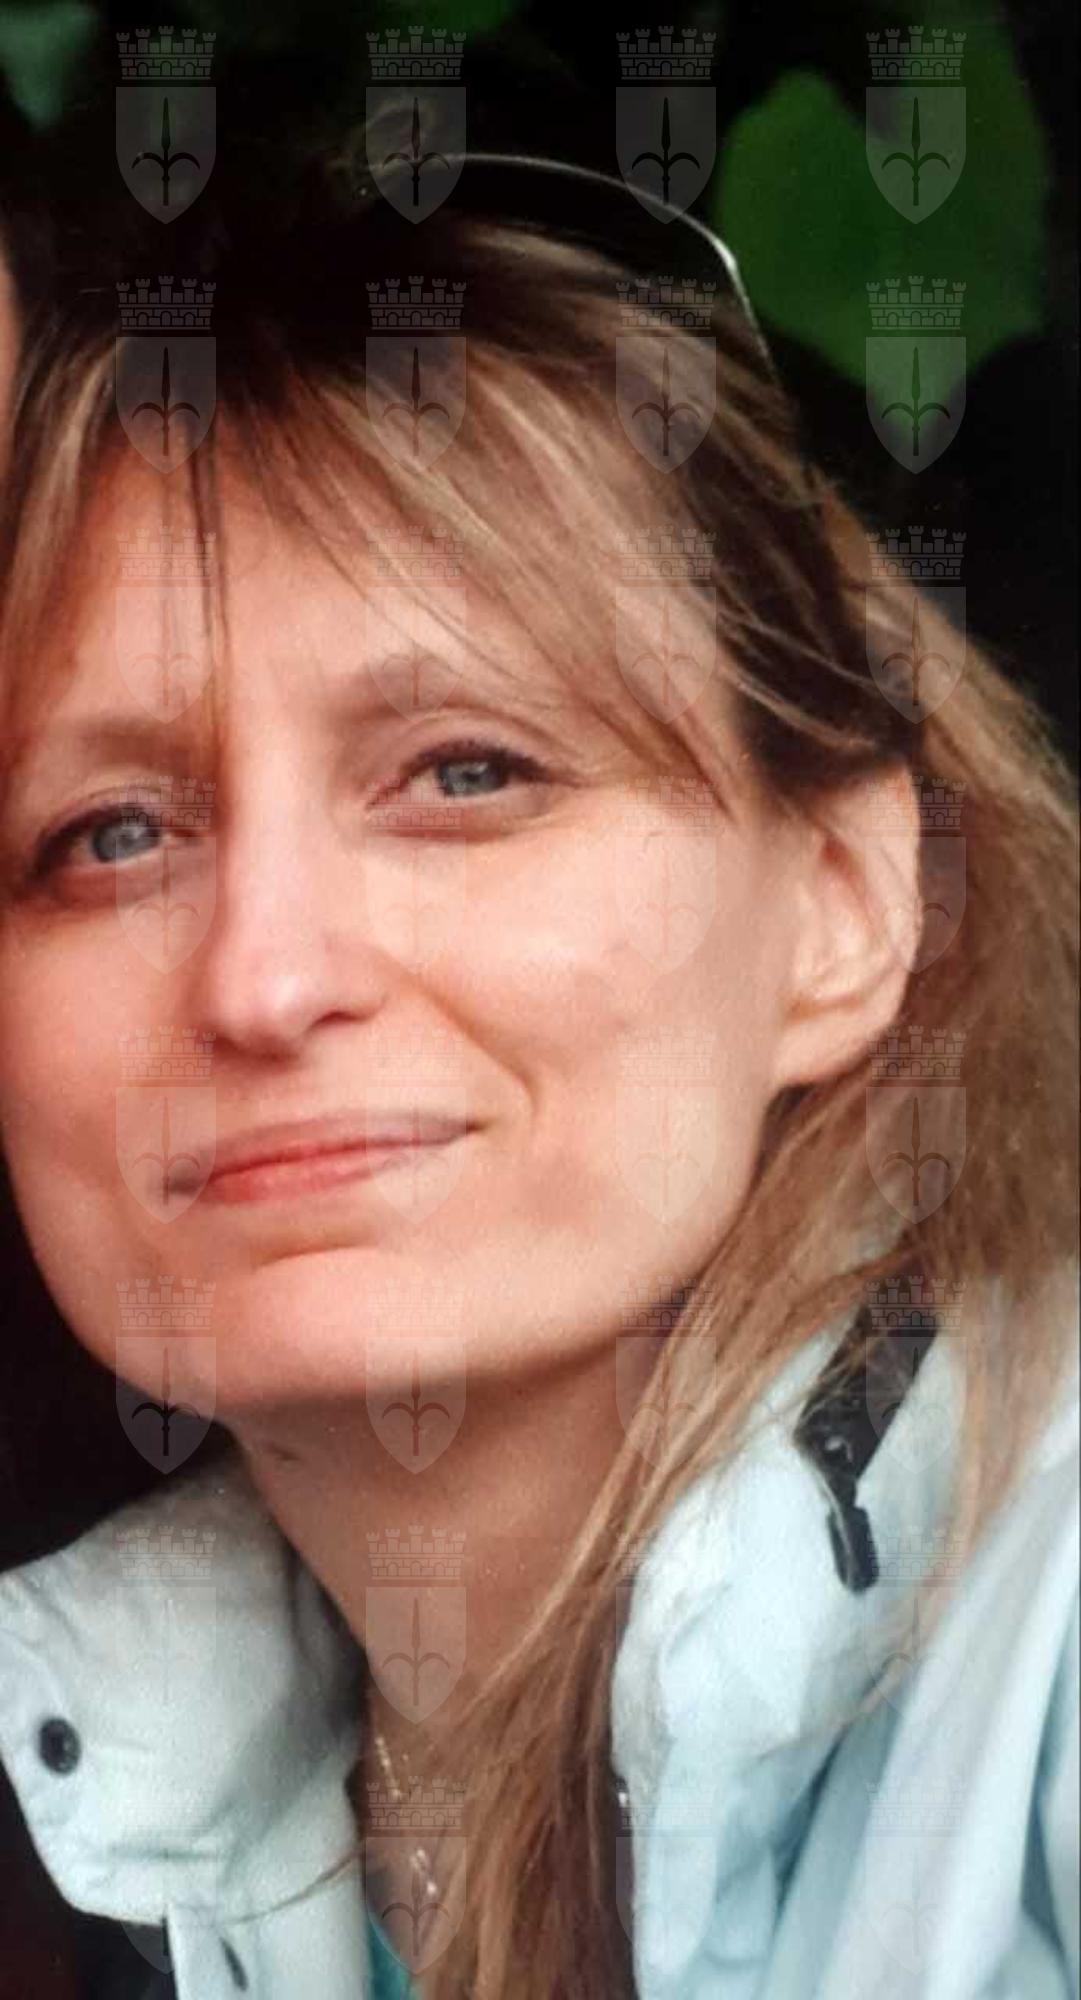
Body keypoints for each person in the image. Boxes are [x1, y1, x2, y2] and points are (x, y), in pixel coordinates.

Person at [0, 140, 1076, 2000]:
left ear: (842, 902)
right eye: (114, 834)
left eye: (465, 774)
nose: (265, 979)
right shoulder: (126, 1807)